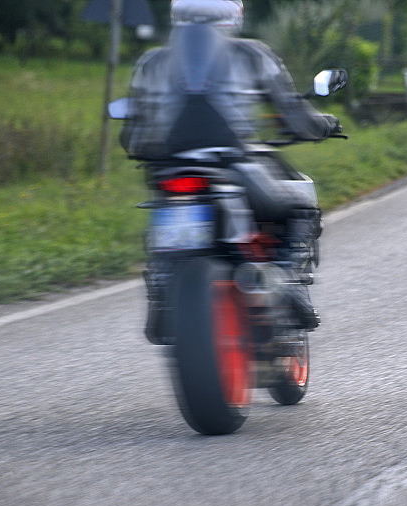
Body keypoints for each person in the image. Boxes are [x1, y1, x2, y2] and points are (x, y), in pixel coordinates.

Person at [120, 0, 341, 342]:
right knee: (300, 205)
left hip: (169, 173)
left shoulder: (152, 62)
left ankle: (162, 288)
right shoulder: (252, 54)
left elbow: (132, 137)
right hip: (231, 167)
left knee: (159, 220)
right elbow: (295, 116)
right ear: (233, 14)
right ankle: (285, 281)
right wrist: (324, 125)